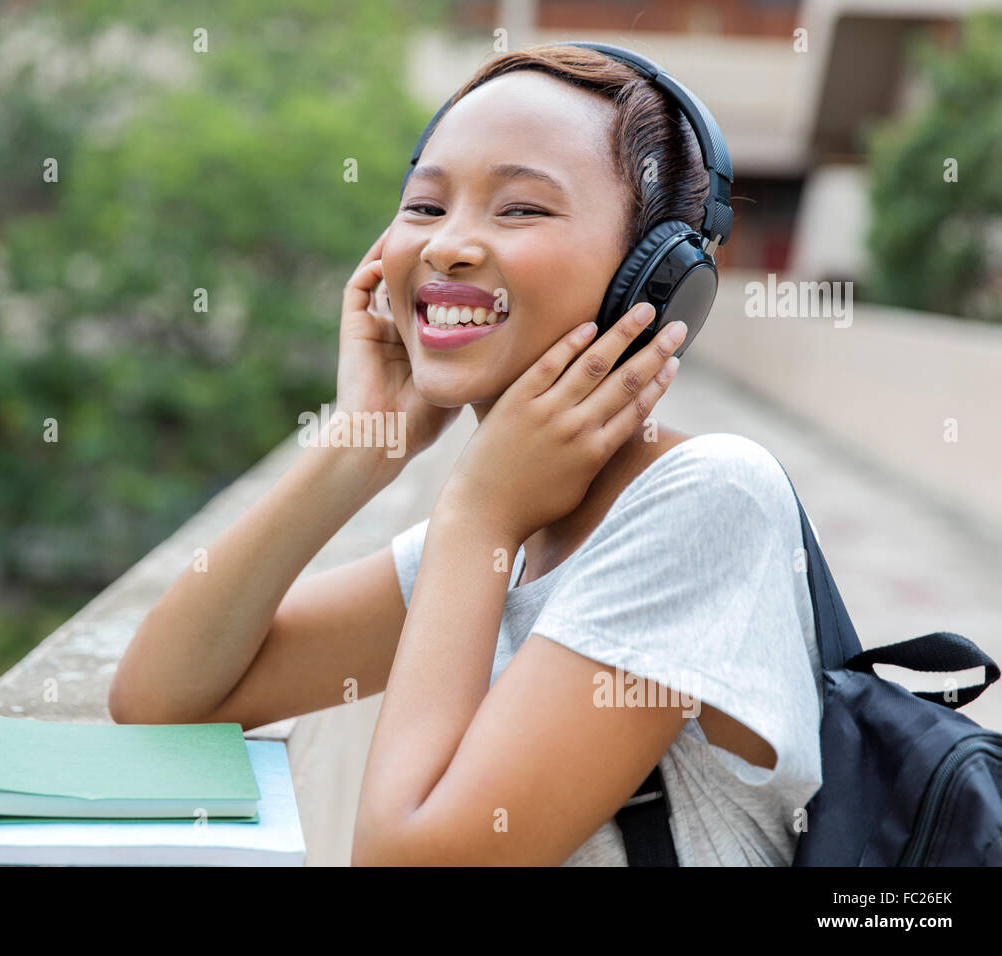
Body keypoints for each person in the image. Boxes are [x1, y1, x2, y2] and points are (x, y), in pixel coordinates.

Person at [109, 44, 823, 866]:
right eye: (424, 206)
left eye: (520, 209)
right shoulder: (516, 529)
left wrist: (478, 514)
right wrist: (359, 447)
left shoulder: (705, 500)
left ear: (657, 277)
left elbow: (411, 859)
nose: (450, 245)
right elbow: (159, 697)